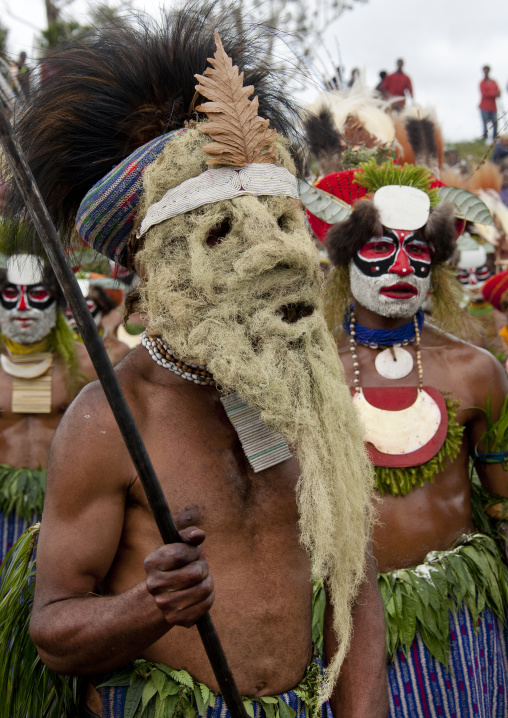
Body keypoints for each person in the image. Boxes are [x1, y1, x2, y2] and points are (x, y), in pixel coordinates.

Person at [4, 10, 387, 718]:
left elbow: (352, 584)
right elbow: (54, 633)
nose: (267, 260)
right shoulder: (110, 420)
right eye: (220, 234)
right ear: (158, 267)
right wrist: (148, 608)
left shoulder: (306, 391)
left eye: (278, 225)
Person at [304, 160, 508, 716]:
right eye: (379, 248)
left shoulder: (476, 370)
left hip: (457, 615)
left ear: (437, 261)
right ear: (343, 254)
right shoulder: (307, 372)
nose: (401, 266)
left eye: (417, 249)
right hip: (338, 616)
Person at [0, 219, 96, 563]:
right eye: (10, 295)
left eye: (37, 294)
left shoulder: (85, 365)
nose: (23, 307)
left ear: (56, 301)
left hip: (62, 507)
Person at [64, 278, 131, 365]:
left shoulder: (118, 350)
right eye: (70, 308)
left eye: (86, 307)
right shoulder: (58, 349)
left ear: (102, 310)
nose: (76, 314)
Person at [479, 65, 500, 141]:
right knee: (485, 124)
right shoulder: (482, 83)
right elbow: (485, 94)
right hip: (484, 107)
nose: (486, 72)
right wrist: (494, 94)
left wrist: (498, 93)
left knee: (495, 123)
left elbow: (498, 91)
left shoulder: (494, 82)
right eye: (484, 70)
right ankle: (485, 139)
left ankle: (495, 138)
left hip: (493, 107)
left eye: (487, 70)